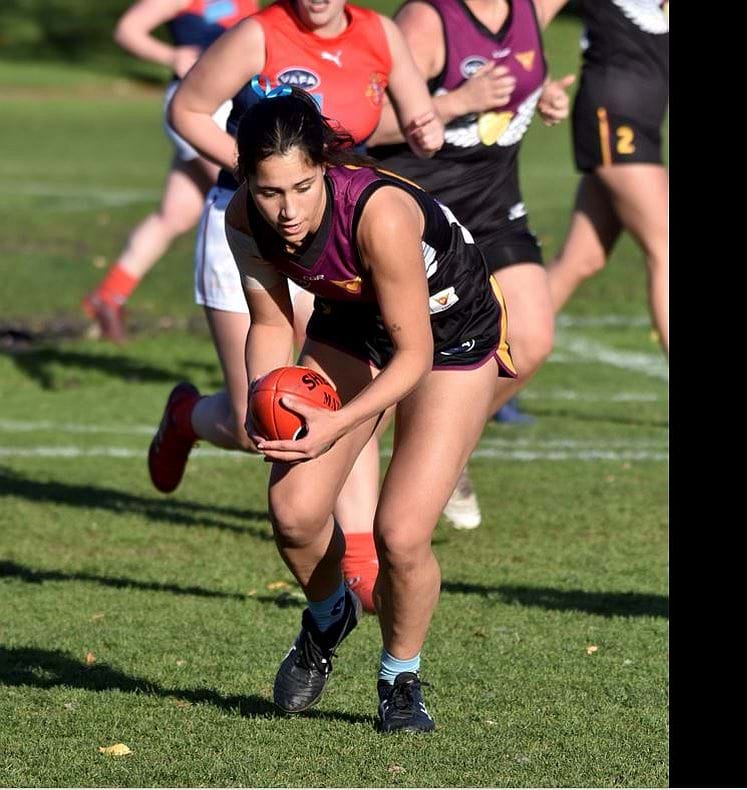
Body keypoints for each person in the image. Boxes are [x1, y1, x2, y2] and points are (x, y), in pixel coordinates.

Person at [227, 89, 513, 731]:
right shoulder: (244, 219)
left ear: (324, 167)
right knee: (294, 513)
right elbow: (270, 323)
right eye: (270, 192)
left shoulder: (378, 215)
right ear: (247, 181)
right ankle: (329, 616)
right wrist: (261, 390)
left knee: (401, 534)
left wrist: (340, 421)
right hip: (353, 323)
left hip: (449, 335)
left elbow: (412, 356)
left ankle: (400, 679)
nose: (288, 210)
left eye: (302, 187)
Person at [152, 0, 443, 614]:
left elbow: (408, 122)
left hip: (331, 230)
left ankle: (358, 553)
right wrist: (261, 176)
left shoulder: (380, 33)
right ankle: (186, 417)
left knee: (336, 395)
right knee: (254, 416)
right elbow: (187, 108)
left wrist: (437, 120)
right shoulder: (259, 33)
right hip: (255, 232)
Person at [368, 0, 574, 529]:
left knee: (531, 340)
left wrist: (541, 96)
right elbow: (372, 122)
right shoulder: (428, 21)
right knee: (386, 377)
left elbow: (523, 70)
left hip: (494, 208)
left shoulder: (535, 6)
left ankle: (444, 451)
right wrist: (459, 101)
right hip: (423, 209)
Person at [82, 0, 260, 343]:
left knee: (174, 215)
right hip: (199, 107)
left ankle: (108, 295)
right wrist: (172, 56)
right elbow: (128, 29)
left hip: (231, 104)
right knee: (248, 197)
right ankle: (276, 316)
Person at [543, 0, 669, 358]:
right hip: (614, 118)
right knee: (667, 247)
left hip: (640, 125)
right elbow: (530, 17)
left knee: (581, 260)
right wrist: (541, 81)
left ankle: (497, 355)